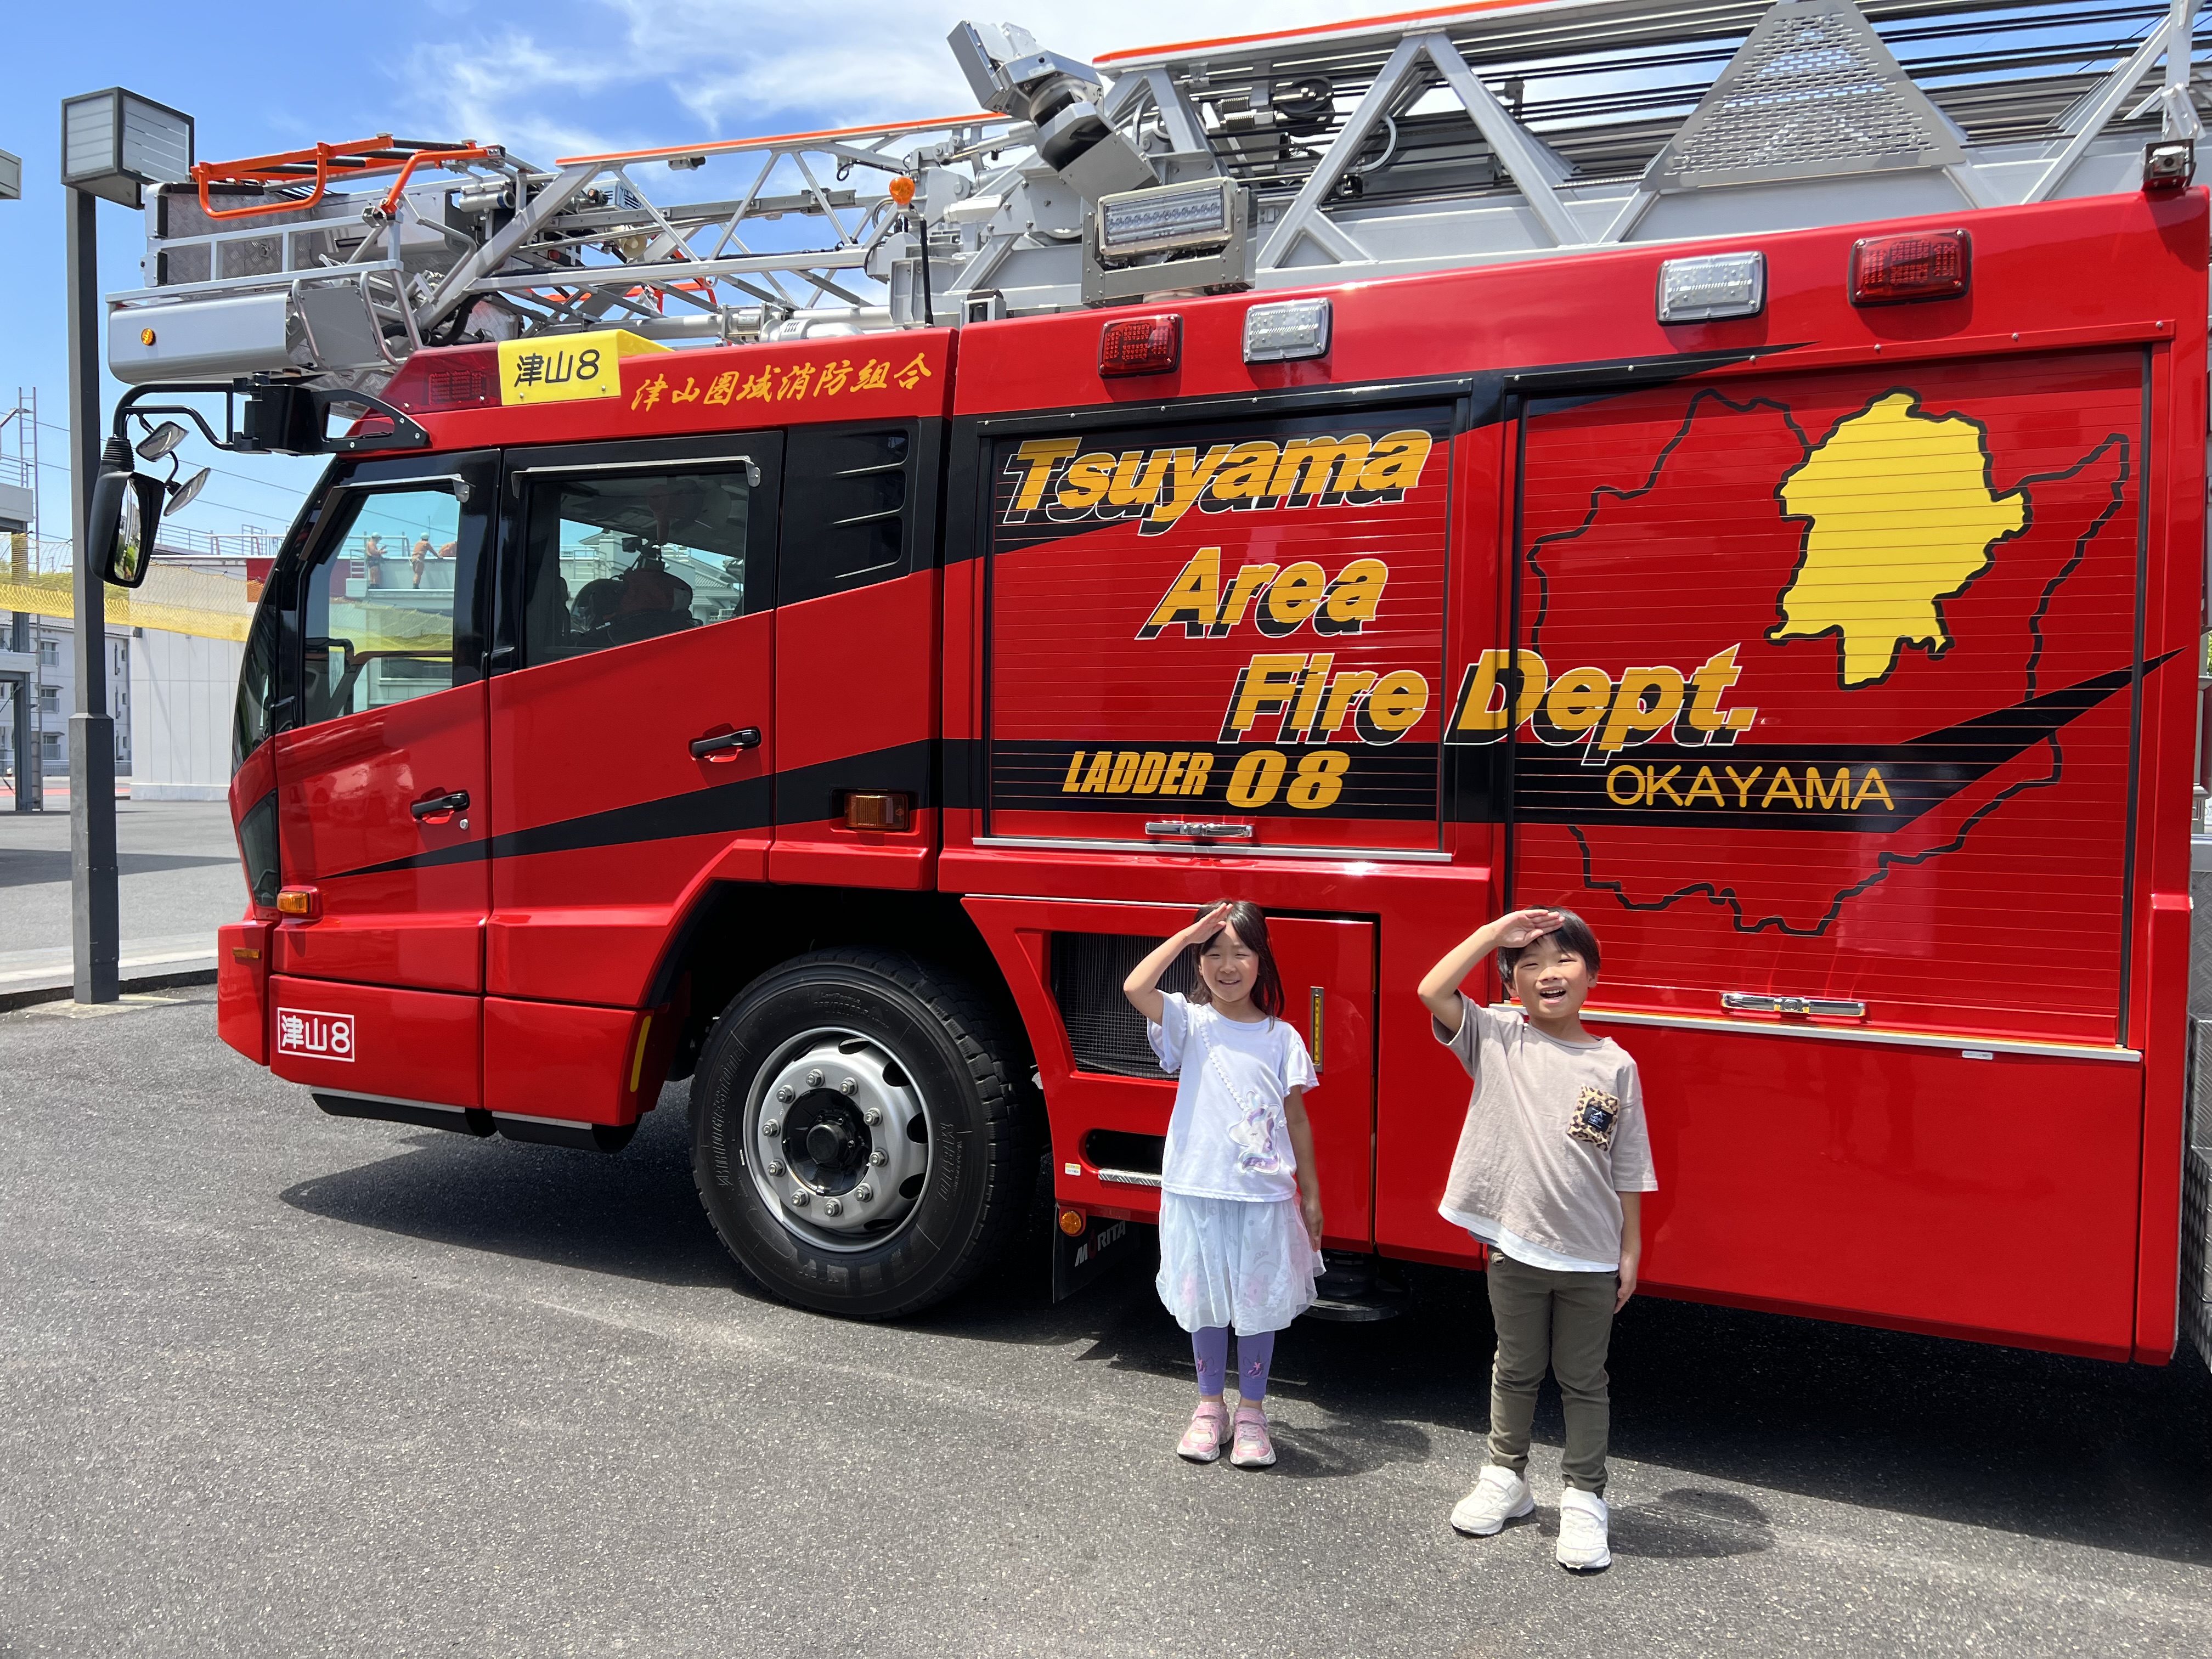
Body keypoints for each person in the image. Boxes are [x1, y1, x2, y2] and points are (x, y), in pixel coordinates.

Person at [1417, 906, 1656, 1573]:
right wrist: (1493, 934)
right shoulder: (1496, 1037)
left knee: (1583, 1379)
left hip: (1590, 1253)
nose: (1549, 973)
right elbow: (1431, 990)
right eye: (1530, 964)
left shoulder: (1616, 1064)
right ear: (1511, 983)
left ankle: (1584, 1497)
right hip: (1515, 1246)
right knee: (1516, 1368)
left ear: (1592, 974)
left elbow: (1629, 1162)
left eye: (1564, 959)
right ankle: (1506, 1477)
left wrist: (1632, 1247)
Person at [1124, 901, 1323, 1470]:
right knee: (1205, 1303)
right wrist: (1188, 934)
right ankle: (1210, 1407)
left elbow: (1297, 1120)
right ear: (1198, 961)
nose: (1227, 966)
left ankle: (1253, 1413)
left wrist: (1311, 1194)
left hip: (1262, 1197)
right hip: (1197, 1190)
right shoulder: (1190, 1022)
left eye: (1241, 952)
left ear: (1263, 962)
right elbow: (1136, 986)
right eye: (1214, 954)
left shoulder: (1282, 1037)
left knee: (1257, 1306)